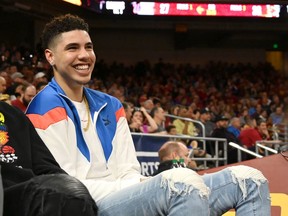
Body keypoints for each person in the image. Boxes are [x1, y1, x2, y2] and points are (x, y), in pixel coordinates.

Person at [26, 14, 270, 215]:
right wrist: (142, 186)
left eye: (88, 47)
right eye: (72, 48)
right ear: (51, 57)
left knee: (249, 180)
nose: (84, 55)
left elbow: (129, 170)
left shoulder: (111, 105)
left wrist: (139, 185)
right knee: (180, 183)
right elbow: (68, 188)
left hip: (126, 195)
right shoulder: (44, 107)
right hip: (89, 206)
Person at [0, 101, 97, 216]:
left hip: (32, 196)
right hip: (9, 199)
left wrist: (73, 190)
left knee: (69, 193)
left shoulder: (13, 114)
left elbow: (46, 166)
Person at [153, 141, 271, 215]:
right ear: (175, 156)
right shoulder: (181, 173)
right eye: (186, 156)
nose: (189, 160)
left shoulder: (153, 180)